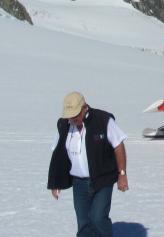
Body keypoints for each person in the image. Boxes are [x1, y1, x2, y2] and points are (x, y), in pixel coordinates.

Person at [48, 91, 129, 237]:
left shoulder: (103, 120)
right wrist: (56, 182)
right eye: (69, 116)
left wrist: (122, 174)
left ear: (84, 107)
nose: (72, 119)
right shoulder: (64, 125)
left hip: (102, 179)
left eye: (75, 115)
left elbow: (118, 145)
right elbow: (58, 153)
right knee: (83, 223)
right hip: (78, 182)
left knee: (98, 218)